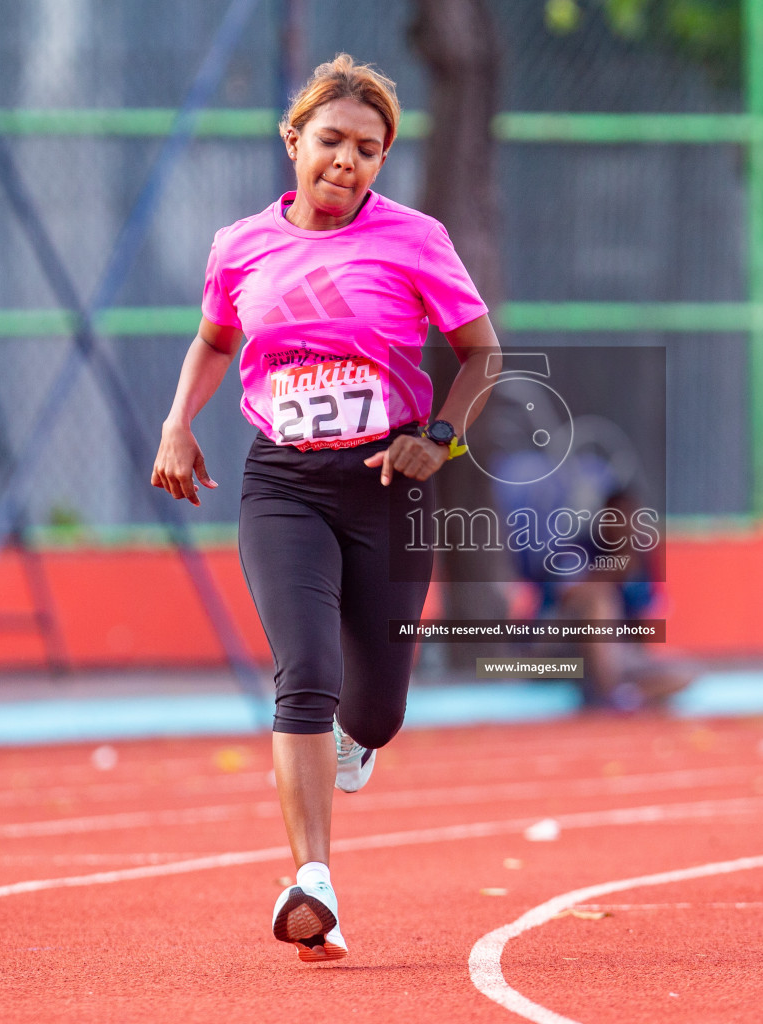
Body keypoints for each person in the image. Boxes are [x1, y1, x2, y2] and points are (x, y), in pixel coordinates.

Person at [151, 54, 500, 961]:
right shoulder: (240, 245)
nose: (347, 161)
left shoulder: (416, 239)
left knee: (375, 711)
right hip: (285, 485)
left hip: (388, 484)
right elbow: (213, 339)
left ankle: (357, 744)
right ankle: (314, 884)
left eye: (370, 150)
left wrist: (444, 437)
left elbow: (482, 355)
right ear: (293, 142)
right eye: (333, 141)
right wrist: (177, 425)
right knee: (305, 672)